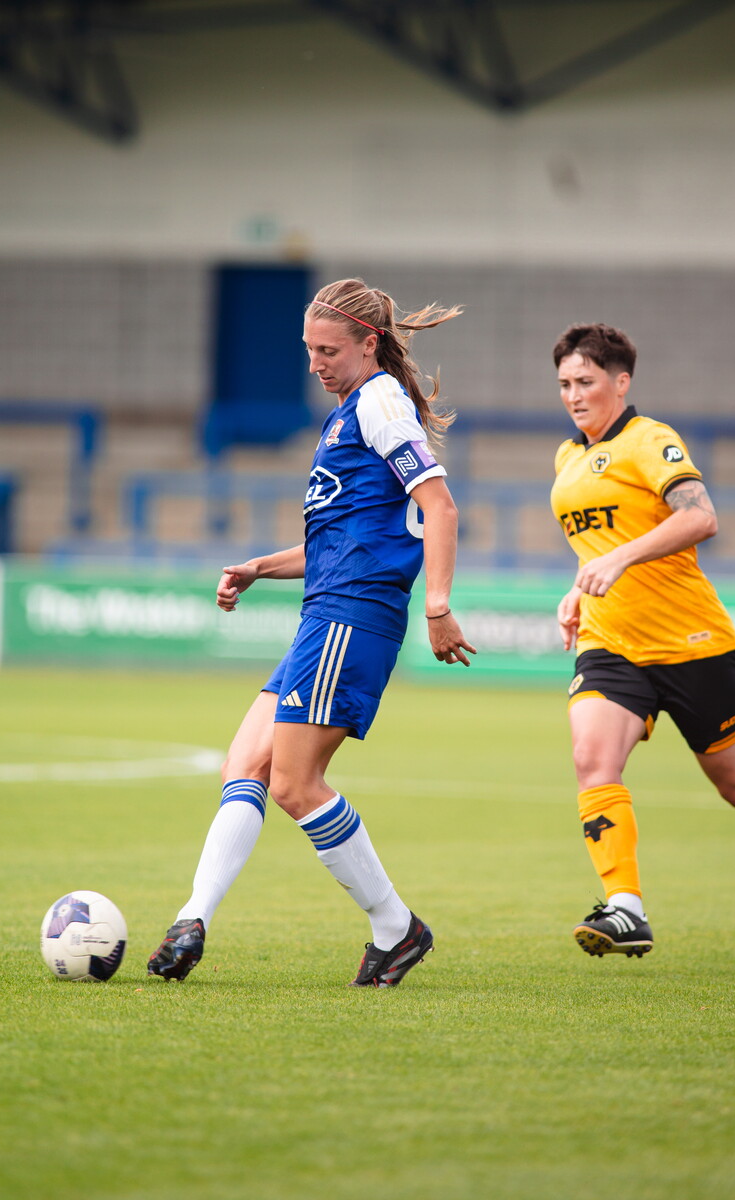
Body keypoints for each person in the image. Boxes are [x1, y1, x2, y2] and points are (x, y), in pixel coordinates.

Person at [148, 278, 476, 987]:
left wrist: (439, 605)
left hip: (353, 616)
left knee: (297, 784)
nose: (314, 364)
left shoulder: (382, 400)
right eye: (308, 350)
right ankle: (192, 918)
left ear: (369, 343)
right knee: (246, 763)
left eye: (328, 350)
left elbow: (439, 506)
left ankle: (396, 928)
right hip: (324, 613)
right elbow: (340, 542)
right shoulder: (345, 416)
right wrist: (260, 567)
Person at [549, 322, 735, 958]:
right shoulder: (567, 456)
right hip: (612, 643)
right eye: (565, 384)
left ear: (621, 381)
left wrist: (622, 559)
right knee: (592, 760)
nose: (574, 395)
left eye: (587, 381)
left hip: (691, 640)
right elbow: (596, 546)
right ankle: (625, 905)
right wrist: (581, 587)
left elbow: (700, 516)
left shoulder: (649, 440)